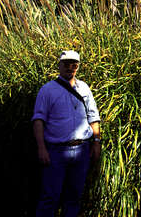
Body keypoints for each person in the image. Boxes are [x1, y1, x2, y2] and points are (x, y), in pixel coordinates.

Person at [32, 50, 101, 217]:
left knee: (74, 197)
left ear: (78, 66)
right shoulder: (47, 90)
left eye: (74, 64)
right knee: (50, 197)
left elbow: (93, 116)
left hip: (82, 151)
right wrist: (41, 148)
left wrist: (96, 141)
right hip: (56, 152)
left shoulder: (84, 87)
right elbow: (38, 120)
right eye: (67, 64)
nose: (70, 67)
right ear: (60, 65)